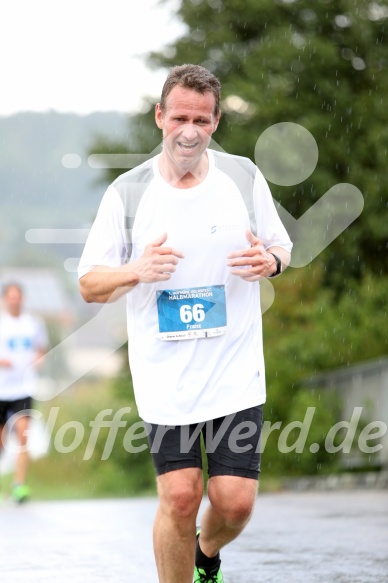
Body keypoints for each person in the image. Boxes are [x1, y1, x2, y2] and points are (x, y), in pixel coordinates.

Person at [78, 64, 292, 583]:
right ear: (160, 118)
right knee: (179, 497)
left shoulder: (242, 176)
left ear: (216, 121)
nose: (189, 129)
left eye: (201, 118)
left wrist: (272, 263)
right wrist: (135, 270)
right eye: (179, 117)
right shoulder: (128, 194)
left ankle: (206, 554)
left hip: (234, 369)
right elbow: (88, 284)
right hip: (165, 375)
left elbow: (280, 245)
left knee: (234, 502)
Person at [0, 282, 48, 503]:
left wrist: (38, 360)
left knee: (22, 434)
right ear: (4, 300)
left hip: (23, 388)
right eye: (10, 297)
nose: (14, 300)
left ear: (22, 299)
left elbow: (41, 349)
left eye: (17, 296)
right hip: (2, 388)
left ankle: (19, 485)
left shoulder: (33, 324)